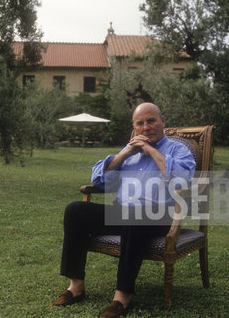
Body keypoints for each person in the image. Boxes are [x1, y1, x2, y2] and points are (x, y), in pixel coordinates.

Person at [51, 102, 196, 317]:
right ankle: (76, 287)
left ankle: (121, 298)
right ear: (134, 127)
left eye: (151, 121)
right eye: (140, 123)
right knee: (75, 210)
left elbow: (181, 180)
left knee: (136, 215)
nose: (146, 127)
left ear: (162, 121)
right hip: (122, 213)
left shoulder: (179, 150)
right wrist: (127, 153)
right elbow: (99, 180)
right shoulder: (130, 150)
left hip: (157, 215)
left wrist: (150, 150)